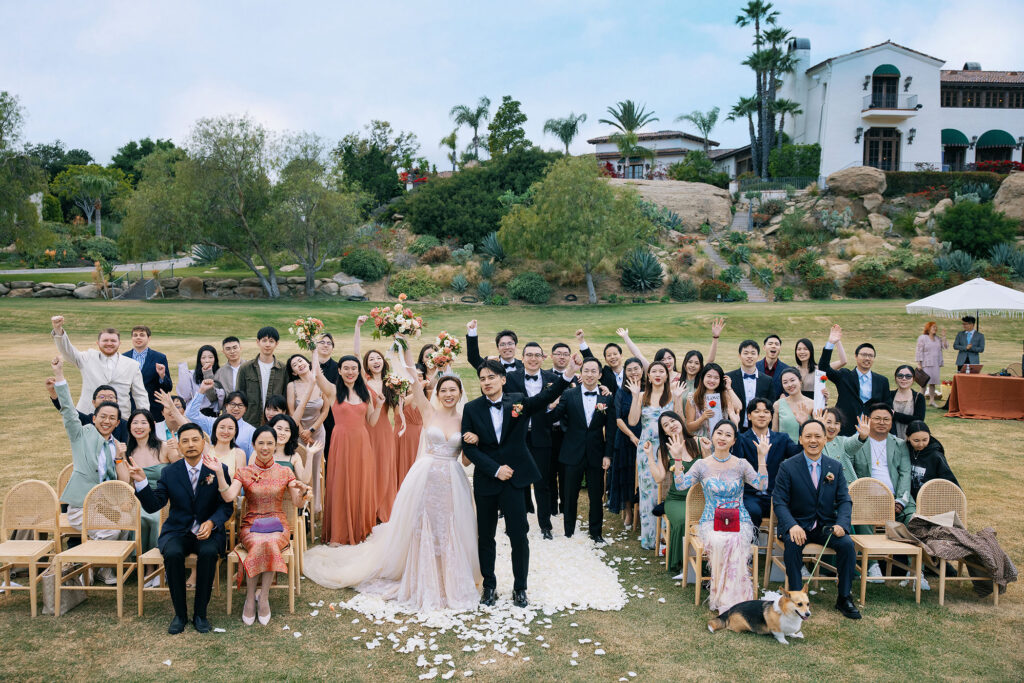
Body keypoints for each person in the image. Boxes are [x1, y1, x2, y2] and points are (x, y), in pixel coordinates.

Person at [303, 372, 482, 612]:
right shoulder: (429, 412)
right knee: (423, 524)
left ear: (460, 393)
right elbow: (415, 384)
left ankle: (448, 574)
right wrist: (405, 354)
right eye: (444, 390)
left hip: (453, 479)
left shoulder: (465, 420)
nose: (448, 394)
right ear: (437, 394)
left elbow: (467, 460)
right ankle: (421, 571)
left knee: (449, 525)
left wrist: (474, 441)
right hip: (426, 477)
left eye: (453, 390)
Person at [461, 356, 577, 608]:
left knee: (518, 535)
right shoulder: (471, 409)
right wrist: (495, 470)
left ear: (503, 379)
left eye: (492, 377)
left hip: (514, 481)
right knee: (486, 536)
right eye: (482, 379)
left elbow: (545, 398)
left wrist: (568, 373)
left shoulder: (518, 401)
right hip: (487, 480)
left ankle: (520, 588)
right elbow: (469, 449)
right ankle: (489, 586)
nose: (487, 382)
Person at [126, 422, 234, 634]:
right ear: (179, 446)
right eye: (185, 441)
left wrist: (212, 522)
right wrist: (142, 482)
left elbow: (226, 506)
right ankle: (180, 615)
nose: (190, 444)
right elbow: (154, 505)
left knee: (209, 553)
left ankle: (200, 614)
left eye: (195, 440)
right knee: (173, 554)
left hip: (208, 532)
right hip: (177, 531)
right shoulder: (169, 472)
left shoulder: (218, 469)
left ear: (203, 443)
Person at [209, 425, 311, 625]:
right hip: (251, 524)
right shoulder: (244, 471)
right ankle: (249, 598)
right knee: (258, 542)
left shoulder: (285, 471)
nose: (265, 447)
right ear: (254, 445)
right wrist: (220, 474)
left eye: (269, 443)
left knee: (270, 542)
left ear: (275, 445)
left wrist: (303, 493)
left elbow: (297, 503)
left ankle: (263, 597)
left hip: (278, 524)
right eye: (261, 443)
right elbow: (229, 496)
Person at [674, 419, 769, 613]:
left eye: (728, 435)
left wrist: (761, 457)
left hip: (739, 519)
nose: (723, 437)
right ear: (713, 435)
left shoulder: (741, 464)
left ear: (734, 441)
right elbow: (681, 485)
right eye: (719, 432)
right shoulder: (702, 465)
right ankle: (723, 597)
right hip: (711, 520)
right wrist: (677, 459)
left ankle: (738, 599)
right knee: (719, 541)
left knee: (735, 540)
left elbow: (762, 484)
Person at [771, 419, 861, 619]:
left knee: (847, 545)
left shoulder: (834, 467)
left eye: (818, 436)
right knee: (793, 545)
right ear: (800, 439)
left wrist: (841, 524)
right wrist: (792, 525)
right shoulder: (787, 466)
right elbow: (779, 501)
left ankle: (844, 597)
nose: (813, 440)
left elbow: (845, 500)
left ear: (825, 439)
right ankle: (796, 600)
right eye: (808, 436)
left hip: (825, 527)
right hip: (797, 525)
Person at [51, 356, 128, 585]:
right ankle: (86, 568)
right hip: (81, 505)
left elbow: (123, 482)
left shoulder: (116, 445)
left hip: (106, 505)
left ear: (117, 423)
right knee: (110, 531)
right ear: (94, 418)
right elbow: (68, 409)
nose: (106, 421)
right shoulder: (81, 434)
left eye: (112, 418)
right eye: (102, 417)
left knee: (125, 526)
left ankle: (101, 568)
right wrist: (59, 375)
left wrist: (120, 458)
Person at [318, 355, 384, 546]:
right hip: (341, 442)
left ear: (358, 371)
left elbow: (371, 421)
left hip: (362, 443)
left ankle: (360, 528)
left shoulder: (365, 394)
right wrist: (314, 350)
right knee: (341, 483)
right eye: (346, 368)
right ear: (339, 371)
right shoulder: (333, 391)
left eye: (354, 368)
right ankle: (339, 532)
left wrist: (379, 406)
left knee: (360, 483)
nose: (350, 372)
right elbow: (317, 376)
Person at [552, 357, 615, 543]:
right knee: (569, 495)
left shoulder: (606, 397)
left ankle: (596, 533)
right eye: (586, 370)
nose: (589, 374)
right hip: (572, 451)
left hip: (596, 453)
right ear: (581, 373)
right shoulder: (569, 394)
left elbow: (611, 429)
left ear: (600, 375)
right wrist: (551, 403)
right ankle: (569, 532)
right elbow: (555, 416)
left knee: (596, 496)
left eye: (593, 371)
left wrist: (608, 454)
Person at [503, 341, 561, 538]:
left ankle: (545, 526)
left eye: (537, 355)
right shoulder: (511, 378)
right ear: (522, 358)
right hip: (517, 437)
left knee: (542, 482)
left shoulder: (553, 379)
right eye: (529, 355)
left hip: (542, 436)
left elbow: (561, 408)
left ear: (543, 358)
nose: (533, 359)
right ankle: (515, 523)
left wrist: (551, 409)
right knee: (515, 481)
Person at [628, 361, 685, 550]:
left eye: (662, 371)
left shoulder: (672, 395)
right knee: (647, 492)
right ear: (649, 376)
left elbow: (680, 421)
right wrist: (635, 396)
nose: (658, 374)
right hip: (647, 449)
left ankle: (667, 538)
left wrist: (678, 399)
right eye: (654, 371)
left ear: (667, 376)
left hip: (668, 448)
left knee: (667, 490)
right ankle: (650, 538)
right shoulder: (642, 395)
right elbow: (633, 421)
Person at [642, 411, 707, 574]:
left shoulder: (699, 442)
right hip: (676, 499)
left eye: (673, 421)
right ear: (664, 432)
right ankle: (683, 564)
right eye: (666, 425)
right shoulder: (664, 450)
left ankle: (706, 562)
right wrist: (649, 456)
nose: (671, 425)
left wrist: (707, 451)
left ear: (680, 421)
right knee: (684, 520)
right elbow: (659, 478)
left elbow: (711, 471)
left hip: (701, 499)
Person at [50, 315, 148, 416]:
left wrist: (145, 417)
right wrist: (58, 330)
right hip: (88, 416)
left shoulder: (132, 365)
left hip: (120, 418)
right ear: (98, 343)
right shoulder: (87, 357)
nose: (109, 343)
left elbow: (140, 395)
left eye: (113, 341)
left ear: (119, 343)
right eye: (105, 340)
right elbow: (67, 351)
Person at [114, 409, 178, 555]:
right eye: (135, 423)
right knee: (139, 517)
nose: (139, 427)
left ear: (151, 426)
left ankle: (155, 559)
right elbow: (125, 481)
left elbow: (180, 470)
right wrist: (119, 458)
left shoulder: (164, 447)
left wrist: (178, 450)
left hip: (164, 498)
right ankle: (141, 559)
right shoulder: (128, 452)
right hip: (139, 499)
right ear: (129, 427)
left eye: (143, 423)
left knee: (155, 518)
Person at [736, 398, 802, 527]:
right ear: (749, 416)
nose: (762, 415)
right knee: (753, 511)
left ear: (771, 416)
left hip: (775, 494)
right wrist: (736, 426)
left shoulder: (782, 438)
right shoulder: (742, 439)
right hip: (750, 494)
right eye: (757, 411)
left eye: (766, 412)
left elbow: (798, 455)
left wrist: (802, 425)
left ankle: (783, 538)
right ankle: (751, 540)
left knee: (795, 510)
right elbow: (737, 461)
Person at [844, 404, 915, 522]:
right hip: (866, 499)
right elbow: (848, 470)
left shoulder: (900, 444)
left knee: (914, 522)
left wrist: (901, 501)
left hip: (896, 498)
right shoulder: (856, 442)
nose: (882, 422)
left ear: (891, 422)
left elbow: (905, 473)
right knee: (863, 523)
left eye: (886, 419)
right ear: (868, 420)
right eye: (877, 419)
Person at [355, 336, 398, 524]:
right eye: (371, 359)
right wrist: (357, 328)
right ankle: (369, 509)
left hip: (385, 431)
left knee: (384, 468)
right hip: (367, 429)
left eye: (378, 358)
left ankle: (384, 509)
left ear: (383, 361)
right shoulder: (364, 381)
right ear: (367, 364)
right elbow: (356, 353)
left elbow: (398, 410)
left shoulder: (391, 382)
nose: (375, 361)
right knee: (369, 468)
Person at [819, 325, 889, 436]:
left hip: (871, 431)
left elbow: (887, 406)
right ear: (856, 356)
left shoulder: (882, 381)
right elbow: (823, 368)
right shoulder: (845, 375)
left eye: (870, 356)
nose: (867, 358)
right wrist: (831, 343)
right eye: (864, 355)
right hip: (846, 429)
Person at [286, 353, 333, 514]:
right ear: (293, 372)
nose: (299, 364)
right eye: (294, 365)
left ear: (307, 362)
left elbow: (325, 410)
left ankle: (316, 508)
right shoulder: (292, 386)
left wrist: (312, 430)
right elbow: (292, 411)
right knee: (301, 470)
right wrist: (302, 433)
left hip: (317, 432)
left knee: (315, 469)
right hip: (299, 432)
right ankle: (301, 508)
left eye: (300, 360)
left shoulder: (320, 382)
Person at [615, 319, 724, 381]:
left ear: (674, 359)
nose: (667, 362)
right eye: (662, 360)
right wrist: (626, 337)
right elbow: (638, 354)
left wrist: (715, 338)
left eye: (669, 358)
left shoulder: (683, 377)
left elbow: (709, 362)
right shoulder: (654, 374)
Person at [177, 381, 256, 458]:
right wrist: (202, 391)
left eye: (240, 405)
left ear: (245, 409)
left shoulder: (251, 431)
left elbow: (253, 456)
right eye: (233, 404)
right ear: (226, 406)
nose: (236, 408)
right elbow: (190, 414)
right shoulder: (213, 423)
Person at [609, 358, 644, 528]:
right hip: (626, 438)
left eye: (636, 369)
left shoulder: (648, 390)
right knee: (627, 477)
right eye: (629, 370)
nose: (633, 372)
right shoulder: (621, 392)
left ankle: (643, 509)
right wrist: (631, 435)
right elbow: (618, 419)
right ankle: (629, 511)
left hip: (645, 437)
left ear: (642, 370)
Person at [46, 378, 129, 442]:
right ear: (94, 402)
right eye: (102, 397)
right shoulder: (87, 420)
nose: (106, 399)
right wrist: (53, 393)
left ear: (117, 401)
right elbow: (68, 410)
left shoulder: (125, 425)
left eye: (111, 397)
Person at [237, 327, 286, 426]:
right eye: (264, 340)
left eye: (271, 341)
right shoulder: (245, 368)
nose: (267, 344)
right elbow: (239, 395)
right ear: (258, 342)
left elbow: (285, 396)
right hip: (250, 421)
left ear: (277, 344)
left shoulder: (283, 369)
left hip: (275, 422)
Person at [126, 325, 172, 422]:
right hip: (129, 408)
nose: (138, 337)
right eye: (135, 335)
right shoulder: (124, 358)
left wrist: (162, 376)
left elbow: (168, 387)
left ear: (149, 338)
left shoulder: (159, 358)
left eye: (142, 335)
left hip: (153, 409)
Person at [905, 421, 960, 500]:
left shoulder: (936, 456)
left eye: (925, 440)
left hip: (930, 500)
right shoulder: (904, 451)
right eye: (916, 441)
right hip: (908, 499)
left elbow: (949, 480)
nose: (921, 444)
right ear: (908, 437)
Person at [685, 362, 740, 439]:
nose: (712, 380)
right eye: (709, 376)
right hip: (702, 441)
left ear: (720, 380)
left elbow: (738, 407)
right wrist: (702, 418)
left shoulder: (724, 395)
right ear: (703, 377)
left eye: (716, 378)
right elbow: (689, 428)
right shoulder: (693, 398)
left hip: (721, 439)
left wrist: (729, 388)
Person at [727, 340, 774, 430]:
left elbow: (770, 407)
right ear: (739, 356)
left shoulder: (767, 380)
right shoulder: (729, 378)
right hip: (735, 427)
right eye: (746, 353)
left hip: (759, 428)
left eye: (753, 353)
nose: (749, 356)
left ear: (758, 356)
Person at [576, 329, 625, 395]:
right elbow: (590, 358)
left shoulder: (630, 371)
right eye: (609, 355)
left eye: (615, 354)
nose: (612, 357)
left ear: (621, 355)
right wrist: (581, 340)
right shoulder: (605, 373)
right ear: (605, 359)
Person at [772, 368, 815, 441]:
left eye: (792, 380)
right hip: (784, 446)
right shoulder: (778, 404)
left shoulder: (812, 404)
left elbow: (818, 430)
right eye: (785, 382)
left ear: (800, 381)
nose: (789, 385)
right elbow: (774, 432)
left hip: (805, 445)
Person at [888, 365, 926, 439]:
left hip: (911, 438)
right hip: (891, 437)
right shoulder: (889, 395)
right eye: (900, 376)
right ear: (895, 378)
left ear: (913, 379)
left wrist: (895, 414)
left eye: (908, 376)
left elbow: (918, 420)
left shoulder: (919, 397)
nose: (904, 379)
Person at [209, 414, 247, 479]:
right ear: (215, 429)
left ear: (235, 431)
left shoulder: (239, 454)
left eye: (230, 428)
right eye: (222, 427)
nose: (226, 432)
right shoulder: (206, 450)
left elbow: (239, 482)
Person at [756, 334, 791, 401]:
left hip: (778, 406)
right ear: (764, 347)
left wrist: (785, 395)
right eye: (770, 344)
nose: (773, 346)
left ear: (780, 348)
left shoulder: (787, 369)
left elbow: (789, 390)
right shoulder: (755, 367)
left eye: (776, 344)